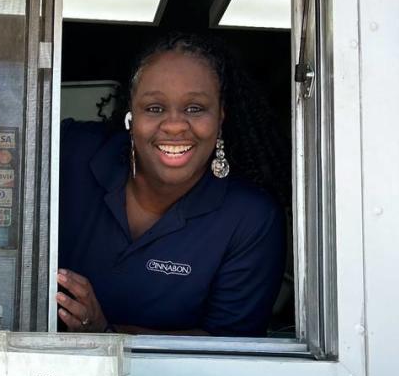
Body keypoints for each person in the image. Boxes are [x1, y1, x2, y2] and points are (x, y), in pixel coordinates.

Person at [57, 33, 287, 337]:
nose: (175, 125)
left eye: (195, 108)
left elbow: (229, 349)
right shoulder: (71, 153)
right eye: (154, 108)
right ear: (131, 116)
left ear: (220, 118)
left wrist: (105, 333)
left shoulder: (251, 218)